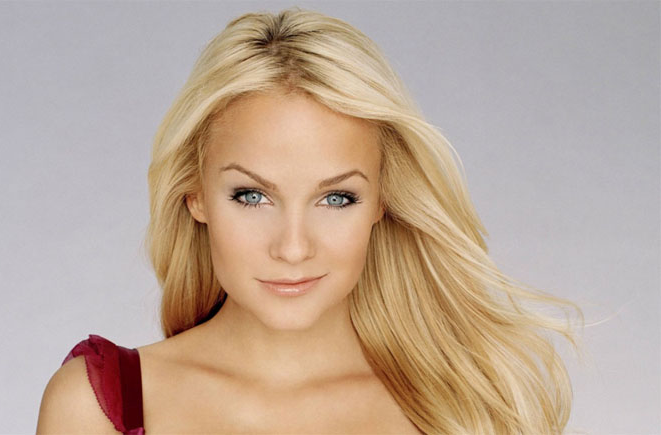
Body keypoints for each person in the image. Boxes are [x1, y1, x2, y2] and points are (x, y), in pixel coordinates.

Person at [36, 7, 584, 434]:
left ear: (382, 201)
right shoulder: (97, 408)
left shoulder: (471, 409)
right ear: (194, 195)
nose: (293, 247)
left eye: (336, 198)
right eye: (252, 196)